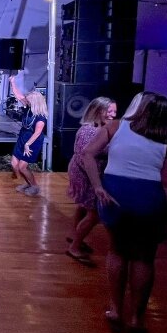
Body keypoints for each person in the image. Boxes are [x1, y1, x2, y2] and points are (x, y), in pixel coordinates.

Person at [81, 92, 167, 333]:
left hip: (116, 195)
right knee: (144, 258)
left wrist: (97, 187)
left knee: (117, 251)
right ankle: (137, 318)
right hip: (149, 199)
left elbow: (87, 154)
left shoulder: (115, 127)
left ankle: (116, 311)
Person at [65, 97, 117, 266]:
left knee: (83, 206)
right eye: (109, 111)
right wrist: (95, 182)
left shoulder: (99, 128)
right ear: (98, 111)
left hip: (87, 173)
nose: (113, 115)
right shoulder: (89, 131)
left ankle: (74, 235)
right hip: (86, 174)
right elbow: (84, 157)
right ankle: (75, 246)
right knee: (94, 214)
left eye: (115, 112)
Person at [9, 74, 48, 197]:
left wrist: (27, 144)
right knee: (14, 164)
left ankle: (34, 186)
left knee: (22, 166)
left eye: (29, 101)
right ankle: (28, 183)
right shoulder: (28, 108)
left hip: (32, 141)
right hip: (23, 137)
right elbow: (19, 95)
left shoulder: (41, 118)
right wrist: (12, 82)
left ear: (35, 103)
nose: (26, 101)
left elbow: (37, 133)